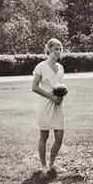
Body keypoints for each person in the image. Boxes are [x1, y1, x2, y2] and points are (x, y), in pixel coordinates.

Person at [32, 38, 66, 175]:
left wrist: (60, 97)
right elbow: (34, 87)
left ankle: (52, 163)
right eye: (55, 49)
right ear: (49, 50)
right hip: (45, 104)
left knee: (59, 135)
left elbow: (59, 86)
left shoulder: (61, 68)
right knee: (44, 135)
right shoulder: (41, 66)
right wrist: (51, 97)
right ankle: (43, 165)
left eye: (59, 49)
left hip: (57, 105)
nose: (57, 52)